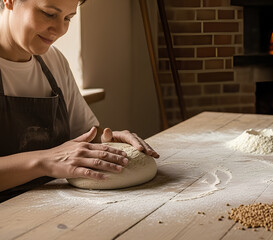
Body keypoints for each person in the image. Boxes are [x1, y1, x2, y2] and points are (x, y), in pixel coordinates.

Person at [0, 0, 159, 196]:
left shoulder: (53, 61)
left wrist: (105, 142)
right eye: (49, 14)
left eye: (67, 18)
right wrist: (45, 161)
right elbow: (57, 157)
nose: (59, 29)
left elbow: (83, 134)